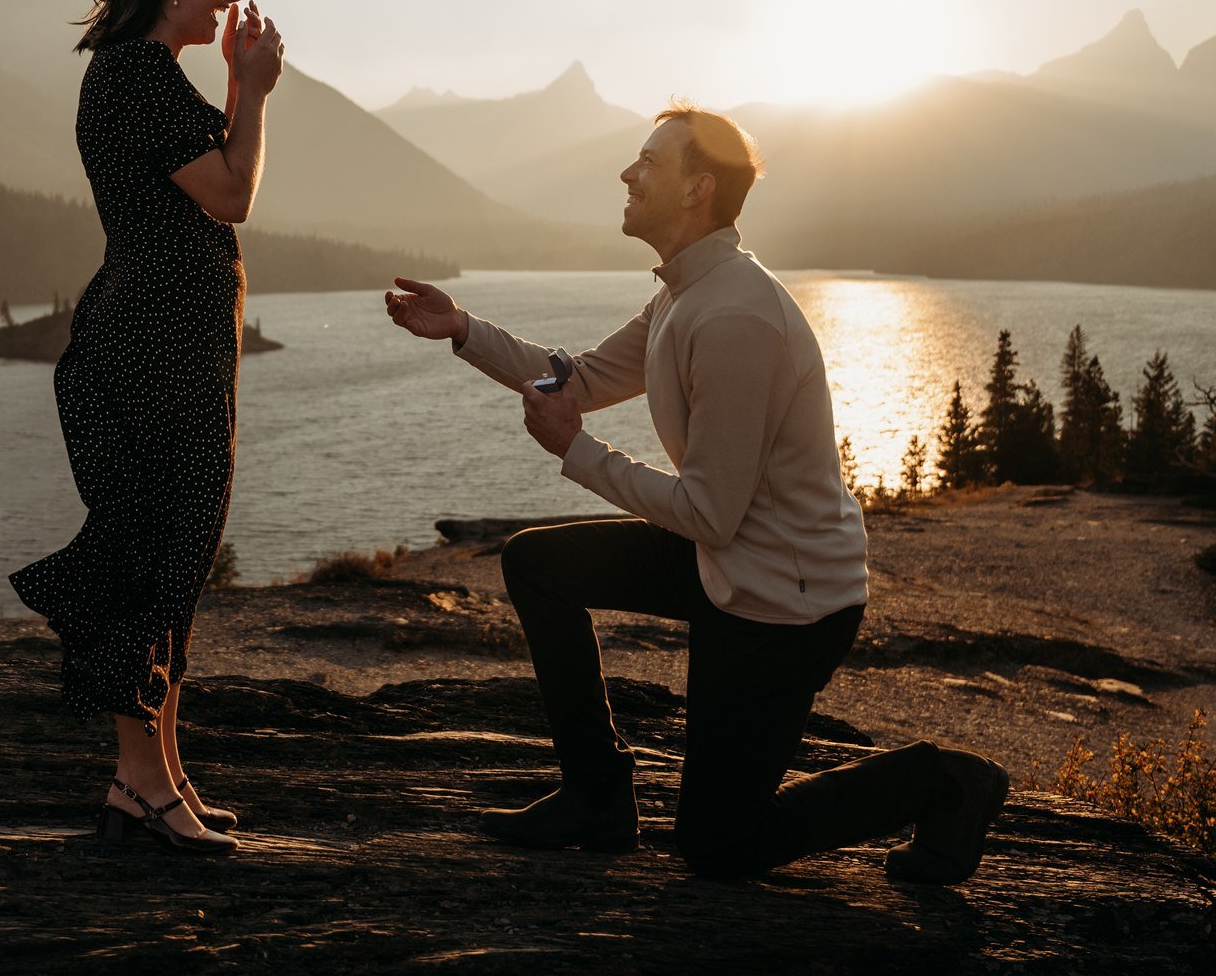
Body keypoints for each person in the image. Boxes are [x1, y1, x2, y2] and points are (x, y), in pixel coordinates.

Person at [384, 104, 1008, 883]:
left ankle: (944, 781)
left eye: (647, 161)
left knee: (718, 843)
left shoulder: (737, 316)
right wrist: (462, 327)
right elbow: (574, 377)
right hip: (731, 560)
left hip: (787, 601)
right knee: (538, 564)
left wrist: (576, 450)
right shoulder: (683, 292)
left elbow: (711, 511)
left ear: (696, 189)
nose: (627, 172)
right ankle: (598, 794)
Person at [9, 0, 283, 856]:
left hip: (170, 353)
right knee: (148, 561)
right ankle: (138, 785)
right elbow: (233, 193)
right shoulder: (133, 76)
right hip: (146, 356)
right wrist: (252, 91)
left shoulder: (149, 77)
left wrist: (238, 94)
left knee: (175, 563)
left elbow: (214, 192)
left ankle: (163, 778)